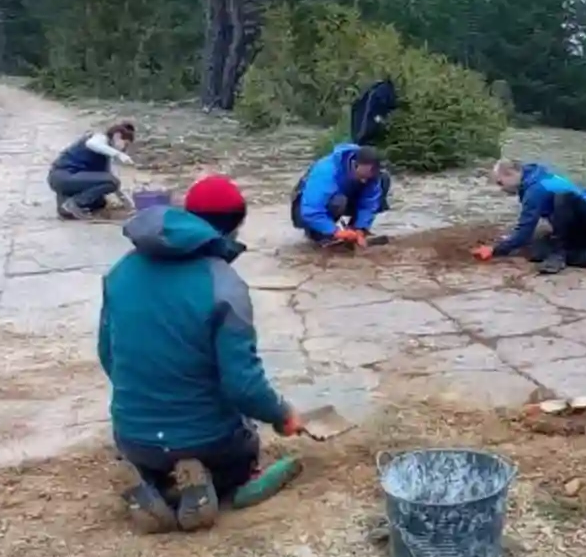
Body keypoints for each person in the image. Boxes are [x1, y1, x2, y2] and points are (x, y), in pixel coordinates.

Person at [99, 175, 303, 532]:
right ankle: (219, 487)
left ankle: (152, 485)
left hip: (134, 437)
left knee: (153, 450)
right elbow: (243, 385)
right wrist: (282, 414)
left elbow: (107, 355)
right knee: (242, 449)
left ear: (189, 213)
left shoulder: (120, 272)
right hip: (209, 441)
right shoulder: (223, 283)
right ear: (236, 227)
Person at [472, 159, 586, 274]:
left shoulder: (535, 188)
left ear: (511, 174)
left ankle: (561, 255)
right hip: (585, 222)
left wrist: (495, 250)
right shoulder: (536, 178)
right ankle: (584, 254)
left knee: (563, 197)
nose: (501, 188)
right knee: (533, 250)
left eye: (500, 183)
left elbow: (525, 229)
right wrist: (511, 241)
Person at [292, 143, 392, 248]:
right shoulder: (327, 171)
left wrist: (360, 228)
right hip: (304, 208)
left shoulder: (371, 176)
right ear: (354, 164)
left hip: (341, 197)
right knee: (339, 201)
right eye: (362, 177)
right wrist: (336, 231)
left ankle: (354, 231)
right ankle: (319, 234)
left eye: (368, 178)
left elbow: (368, 204)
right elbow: (310, 211)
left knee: (383, 180)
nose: (364, 181)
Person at [49, 121, 137, 220]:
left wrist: (128, 204)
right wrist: (119, 154)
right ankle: (75, 203)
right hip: (64, 176)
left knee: (100, 201)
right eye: (125, 144)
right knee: (111, 181)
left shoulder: (104, 154)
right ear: (117, 136)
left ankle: (66, 206)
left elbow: (111, 182)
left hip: (70, 180)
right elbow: (91, 144)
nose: (124, 148)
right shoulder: (100, 138)